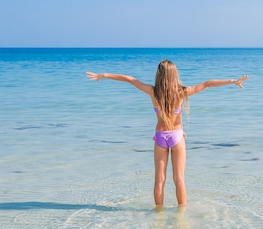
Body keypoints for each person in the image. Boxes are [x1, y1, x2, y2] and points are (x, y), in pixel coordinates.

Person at [86, 60, 248, 209]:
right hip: (177, 136)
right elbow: (207, 84)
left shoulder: (152, 92)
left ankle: (159, 214)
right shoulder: (182, 92)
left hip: (160, 137)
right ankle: (181, 214)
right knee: (179, 179)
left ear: (159, 74)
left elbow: (130, 79)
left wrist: (104, 75)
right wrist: (232, 81)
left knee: (159, 180)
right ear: (174, 74)